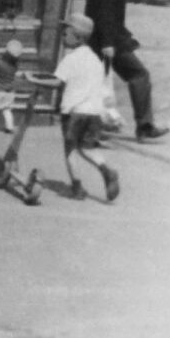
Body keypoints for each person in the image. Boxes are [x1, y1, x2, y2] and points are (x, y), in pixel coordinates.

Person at [84, 0, 168, 142]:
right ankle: (143, 126)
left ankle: (93, 128)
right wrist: (107, 43)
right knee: (139, 74)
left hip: (105, 39)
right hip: (110, 40)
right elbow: (105, 13)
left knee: (97, 82)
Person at [51, 13, 120, 202]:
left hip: (74, 112)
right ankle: (107, 170)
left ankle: (77, 187)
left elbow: (56, 82)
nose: (62, 36)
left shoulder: (70, 59)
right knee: (87, 148)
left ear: (78, 37)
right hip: (94, 112)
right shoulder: (95, 59)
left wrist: (35, 81)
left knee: (70, 149)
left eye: (65, 33)